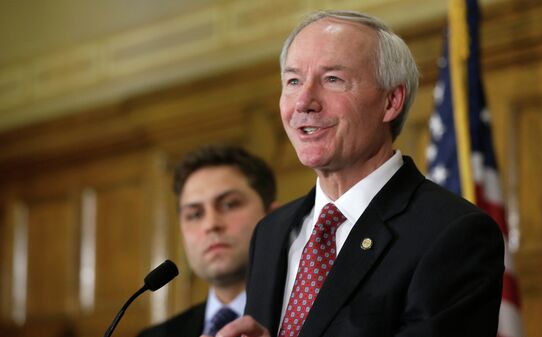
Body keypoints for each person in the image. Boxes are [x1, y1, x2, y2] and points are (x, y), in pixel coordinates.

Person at [212, 10, 505, 337]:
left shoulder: (453, 233)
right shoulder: (271, 232)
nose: (304, 102)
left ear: (391, 101)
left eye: (332, 79)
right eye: (293, 81)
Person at [138, 144, 277, 337]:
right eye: (195, 214)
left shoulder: (306, 317)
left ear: (273, 217)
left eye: (229, 204)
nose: (210, 224)